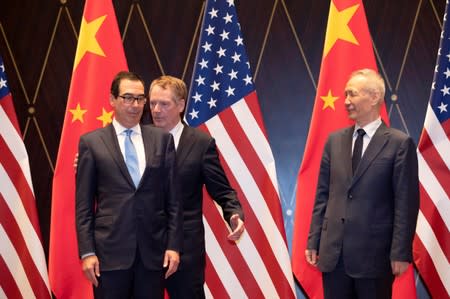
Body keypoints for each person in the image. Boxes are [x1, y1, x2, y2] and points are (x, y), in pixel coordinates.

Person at [305, 69, 419, 299]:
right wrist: (313, 240)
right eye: (345, 95)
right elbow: (323, 196)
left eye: (352, 94)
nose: (346, 101)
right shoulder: (334, 141)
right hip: (333, 256)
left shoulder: (399, 143)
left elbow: (406, 203)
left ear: (375, 97)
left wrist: (400, 252)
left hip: (375, 258)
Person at [75, 71, 182, 299]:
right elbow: (83, 206)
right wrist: (87, 252)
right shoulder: (91, 143)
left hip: (153, 255)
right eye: (127, 97)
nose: (135, 105)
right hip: (109, 256)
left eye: (140, 99)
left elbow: (173, 200)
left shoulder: (162, 140)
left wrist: (173, 245)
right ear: (112, 100)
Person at [148, 75, 245, 299]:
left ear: (181, 105)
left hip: (185, 250)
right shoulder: (139, 139)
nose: (156, 110)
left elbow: (222, 190)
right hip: (146, 247)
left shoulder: (201, 144)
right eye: (153, 103)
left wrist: (234, 214)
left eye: (164, 104)